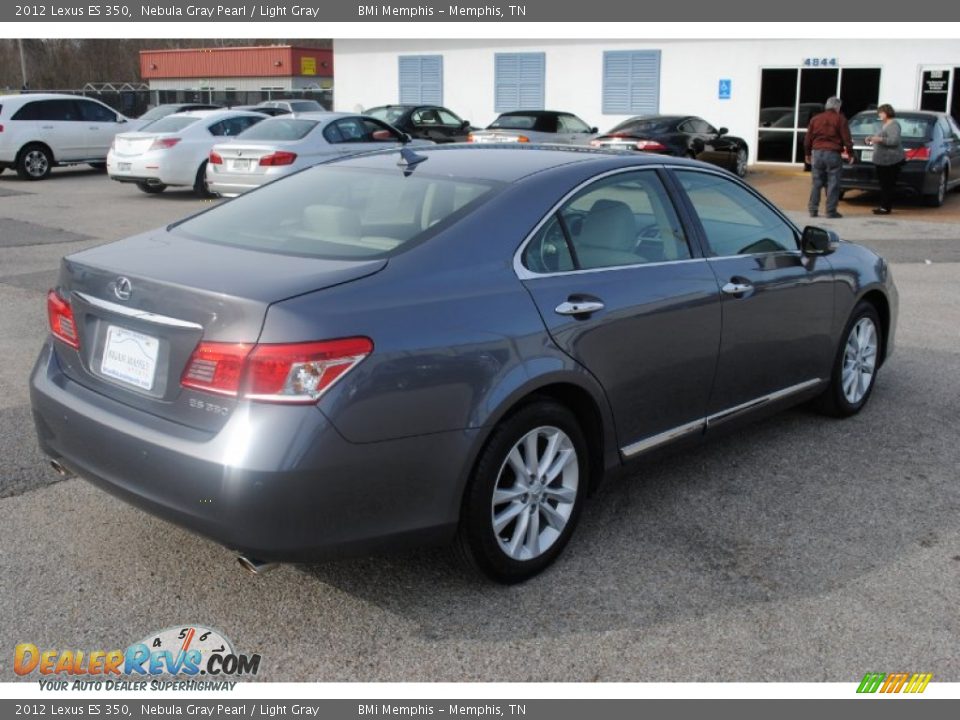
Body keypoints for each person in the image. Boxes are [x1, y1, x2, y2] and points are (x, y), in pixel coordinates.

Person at [804, 96, 854, 219]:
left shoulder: (815, 119)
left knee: (816, 183)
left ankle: (813, 209)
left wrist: (807, 153)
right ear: (837, 107)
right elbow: (846, 139)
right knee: (833, 182)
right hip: (833, 153)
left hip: (817, 153)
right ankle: (830, 211)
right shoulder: (840, 119)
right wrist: (850, 153)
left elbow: (807, 139)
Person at [866, 104, 905, 215]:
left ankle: (885, 207)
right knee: (883, 184)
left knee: (887, 184)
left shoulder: (894, 125)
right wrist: (870, 140)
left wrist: (879, 139)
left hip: (890, 160)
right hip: (881, 160)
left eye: (881, 112)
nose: (879, 114)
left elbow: (894, 141)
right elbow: (879, 140)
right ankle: (883, 206)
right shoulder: (884, 125)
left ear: (887, 113)